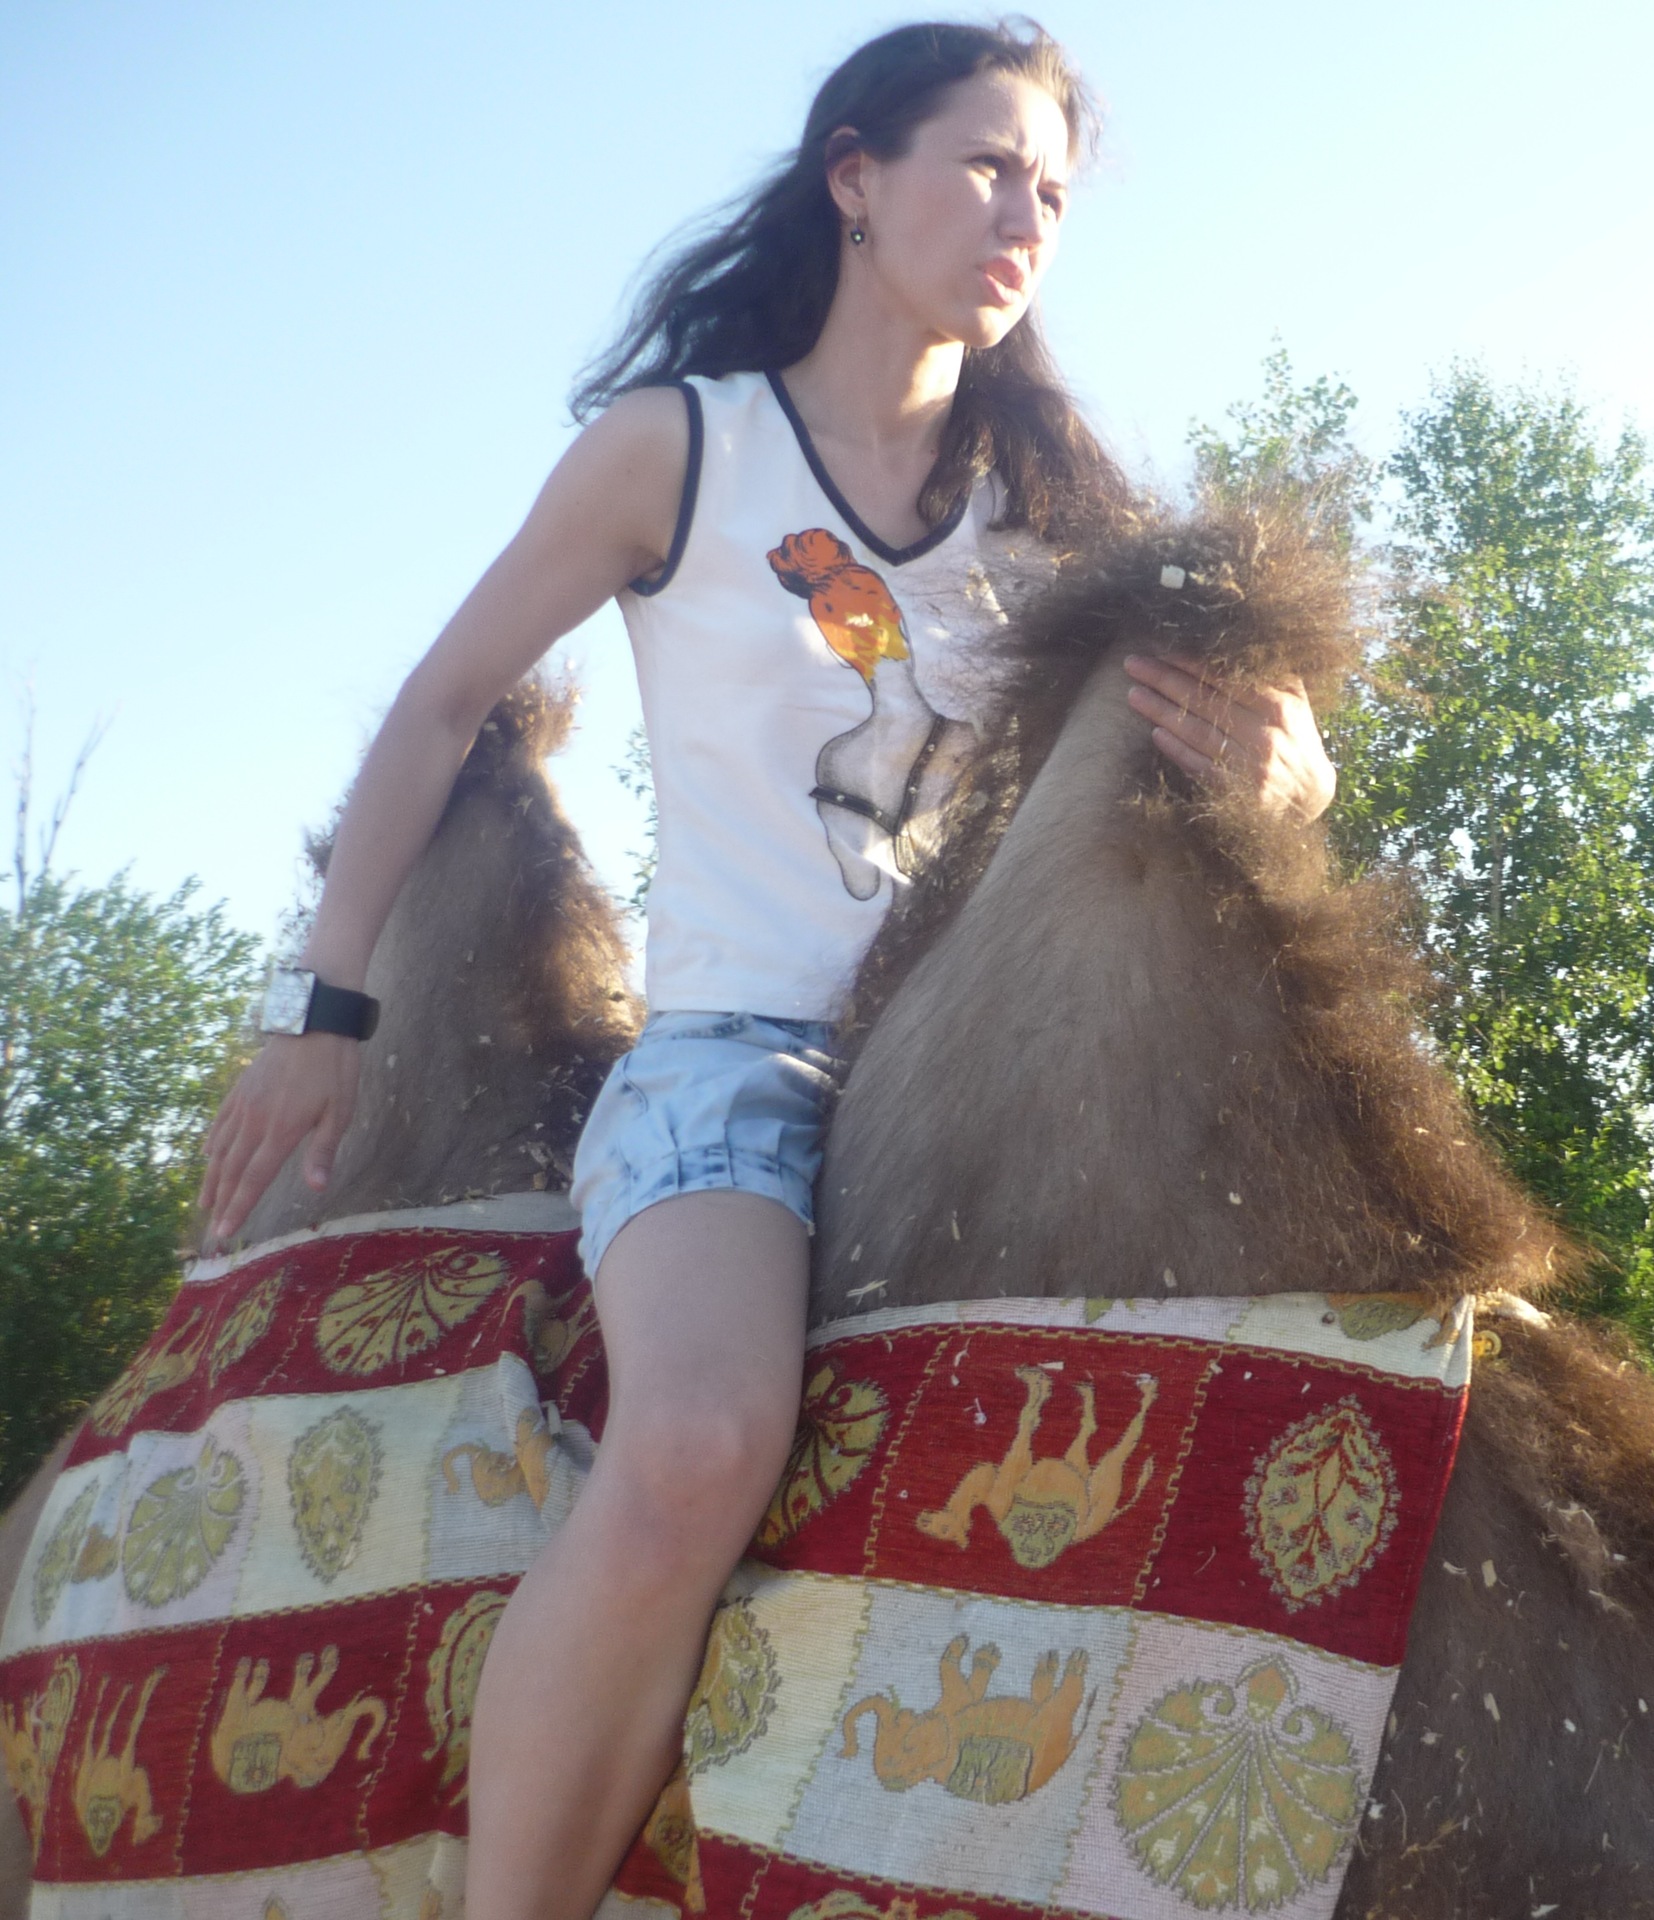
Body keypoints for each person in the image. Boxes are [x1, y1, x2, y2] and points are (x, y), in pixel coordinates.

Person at [194, 23, 1336, 1918]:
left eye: (1054, 192)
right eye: (988, 166)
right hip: (736, 1064)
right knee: (702, 1439)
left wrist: (1298, 776)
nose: (1026, 217)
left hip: (991, 1059)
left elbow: (1242, 720)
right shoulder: (682, 448)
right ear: (855, 175)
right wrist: (322, 1010)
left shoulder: (1056, 513)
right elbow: (443, 703)